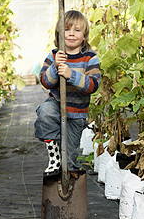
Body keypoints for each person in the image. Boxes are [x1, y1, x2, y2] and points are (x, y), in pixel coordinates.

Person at [34, 10, 101, 176]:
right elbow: (44, 81)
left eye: (77, 30)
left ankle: (68, 180)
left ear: (84, 36)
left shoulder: (90, 58)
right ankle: (54, 158)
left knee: (70, 160)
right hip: (57, 103)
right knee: (45, 112)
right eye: (67, 30)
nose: (72, 34)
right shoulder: (55, 55)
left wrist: (72, 75)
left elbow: (93, 85)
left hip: (77, 114)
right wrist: (55, 68)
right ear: (59, 34)